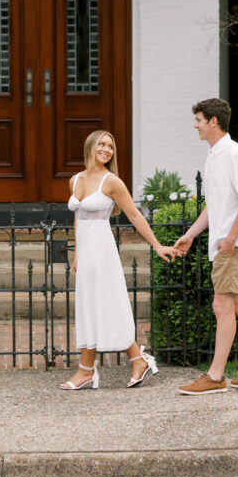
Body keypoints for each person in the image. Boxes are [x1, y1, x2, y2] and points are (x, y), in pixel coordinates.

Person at [173, 98, 238, 394]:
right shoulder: (214, 156)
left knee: (222, 305)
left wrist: (231, 238)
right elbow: (214, 206)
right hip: (226, 244)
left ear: (213, 122)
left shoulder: (235, 154)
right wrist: (191, 234)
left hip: (234, 244)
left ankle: (215, 376)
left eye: (198, 120)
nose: (195, 125)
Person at [61, 130, 176, 391]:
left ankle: (99, 368)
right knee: (88, 306)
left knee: (108, 303)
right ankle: (112, 365)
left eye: (110, 146)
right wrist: (76, 254)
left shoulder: (112, 182)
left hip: (102, 249)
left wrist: (156, 245)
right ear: (90, 146)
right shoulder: (75, 180)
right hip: (86, 252)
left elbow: (134, 215)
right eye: (101, 144)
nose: (106, 149)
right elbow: (78, 218)